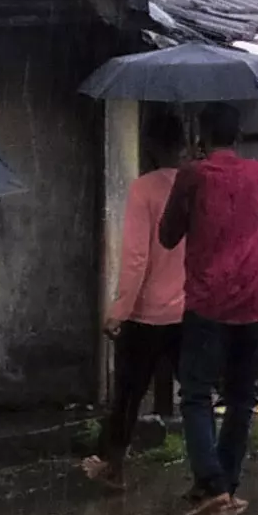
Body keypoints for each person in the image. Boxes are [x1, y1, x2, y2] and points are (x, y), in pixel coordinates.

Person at [157, 107, 258, 515]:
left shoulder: (193, 175)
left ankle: (212, 484)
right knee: (241, 398)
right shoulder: (256, 174)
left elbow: (168, 235)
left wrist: (190, 174)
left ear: (202, 135)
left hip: (209, 300)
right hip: (254, 297)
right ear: (239, 135)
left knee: (195, 394)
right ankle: (225, 482)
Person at [85, 147, 190, 489]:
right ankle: (211, 476)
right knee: (196, 395)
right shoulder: (193, 186)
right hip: (187, 310)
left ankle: (114, 468)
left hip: (147, 312)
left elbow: (135, 257)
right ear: (184, 145)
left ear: (149, 147)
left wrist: (120, 310)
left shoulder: (143, 188)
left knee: (128, 394)